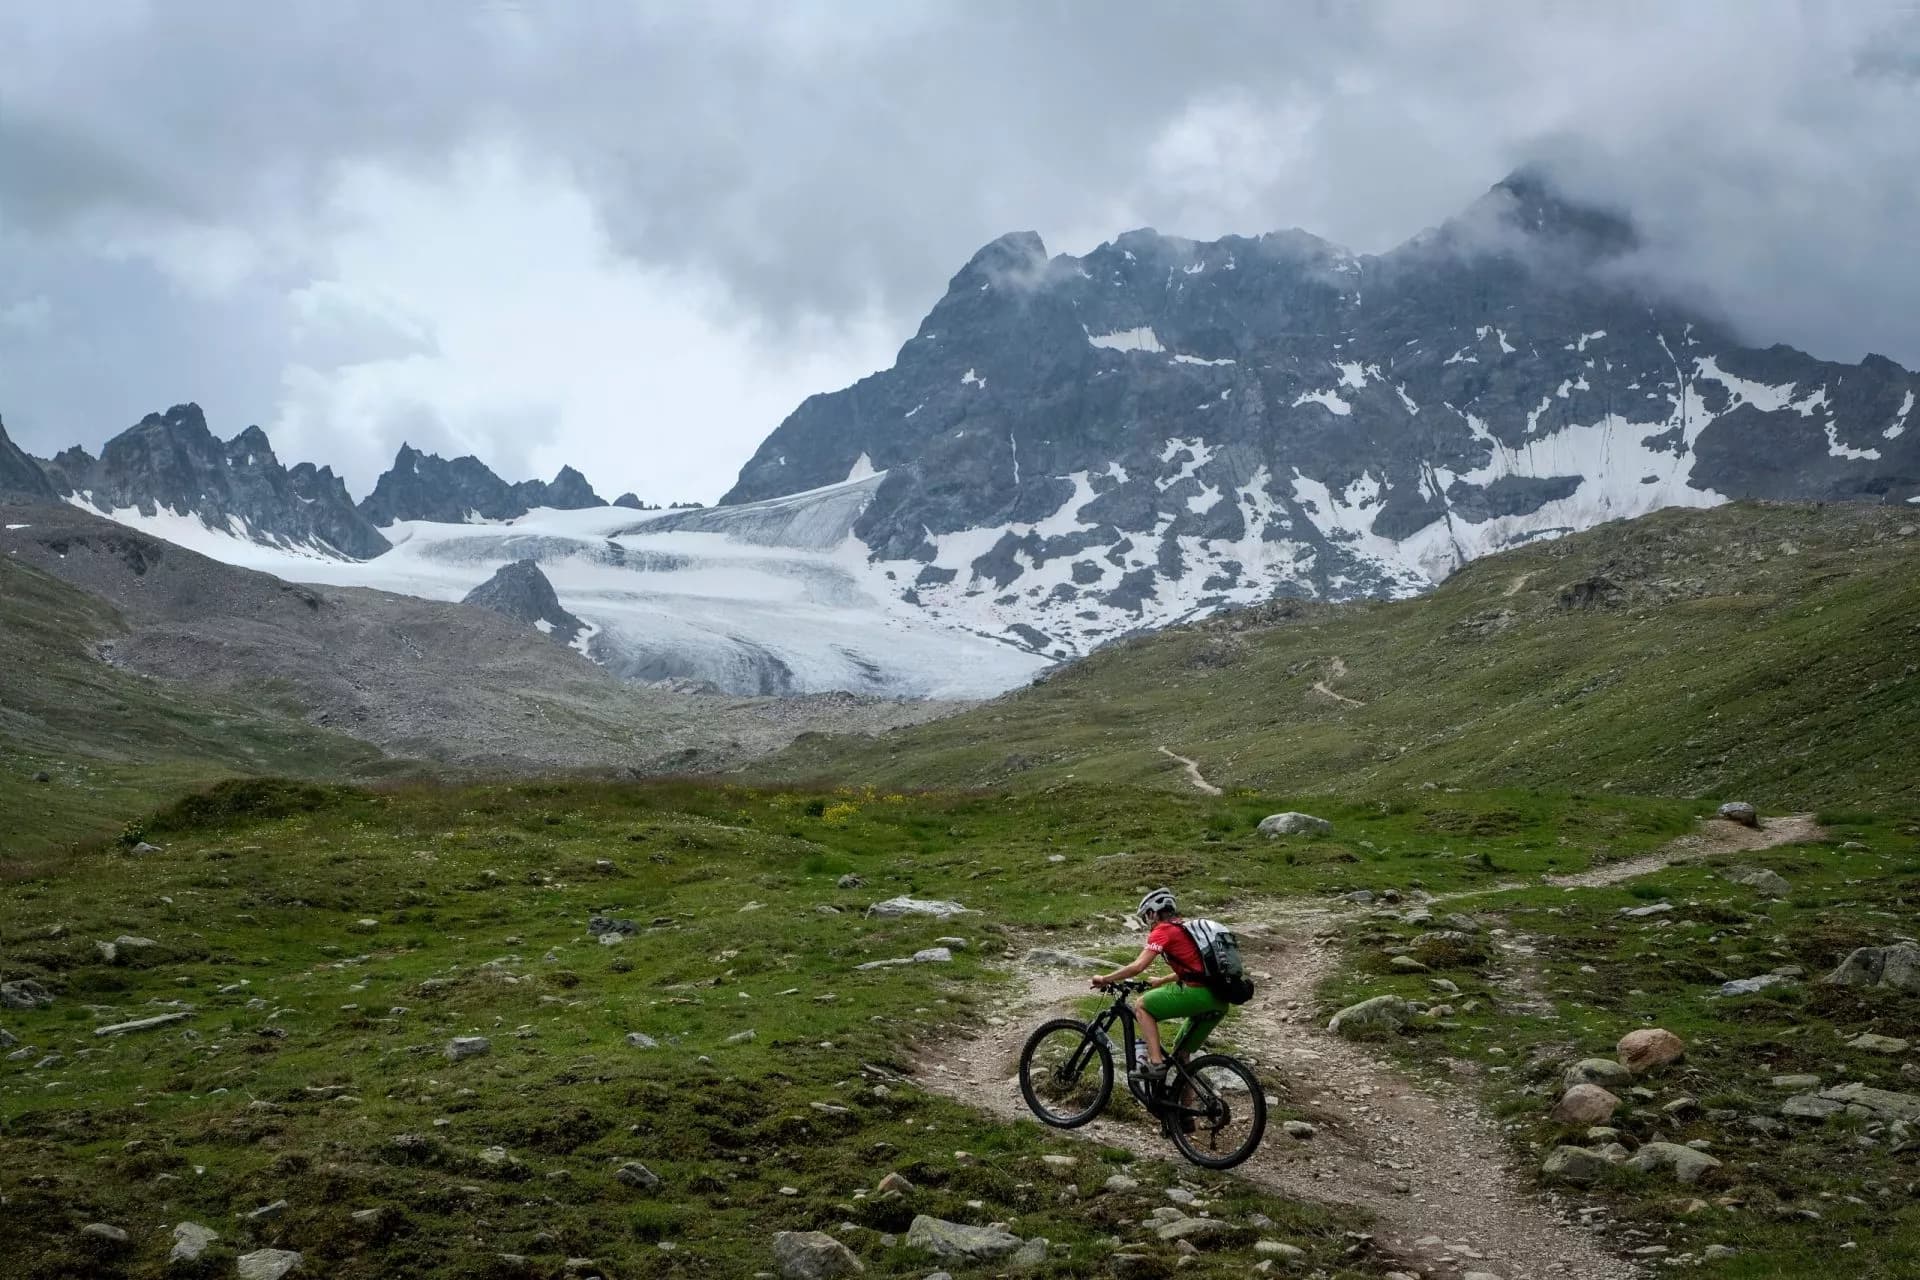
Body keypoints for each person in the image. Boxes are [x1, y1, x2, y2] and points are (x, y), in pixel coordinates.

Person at [1091, 887, 1229, 1086]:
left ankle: (1156, 1063)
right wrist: (1162, 980)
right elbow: (1196, 969)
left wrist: (1105, 978)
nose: (1147, 922)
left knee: (1141, 1006)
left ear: (1153, 913)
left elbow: (1138, 966)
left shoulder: (1162, 930)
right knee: (1182, 1056)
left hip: (1198, 995)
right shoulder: (1184, 929)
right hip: (1219, 999)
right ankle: (1184, 1108)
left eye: (1146, 916)